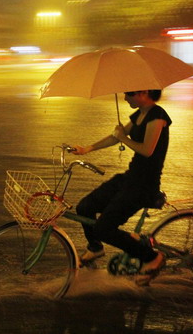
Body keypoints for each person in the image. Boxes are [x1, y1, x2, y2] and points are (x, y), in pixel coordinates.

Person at [72, 89, 171, 286]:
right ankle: (95, 248)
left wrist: (123, 138)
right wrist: (86, 149)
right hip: (130, 178)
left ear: (142, 93)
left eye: (128, 94)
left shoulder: (158, 116)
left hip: (144, 185)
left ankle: (151, 258)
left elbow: (147, 150)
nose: (125, 98)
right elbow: (116, 137)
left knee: (104, 228)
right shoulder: (139, 114)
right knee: (85, 207)